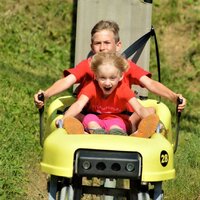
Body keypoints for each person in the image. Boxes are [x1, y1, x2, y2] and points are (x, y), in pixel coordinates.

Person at [34, 20, 186, 129]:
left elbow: (150, 84)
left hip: (121, 116)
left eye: (107, 43)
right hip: (91, 115)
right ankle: (82, 132)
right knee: (71, 114)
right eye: (97, 43)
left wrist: (174, 97)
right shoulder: (88, 65)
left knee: (149, 112)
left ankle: (140, 132)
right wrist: (46, 95)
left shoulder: (126, 66)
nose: (102, 48)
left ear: (117, 45)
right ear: (92, 47)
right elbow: (67, 81)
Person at [61, 52, 159, 137]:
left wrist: (150, 121)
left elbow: (139, 109)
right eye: (103, 78)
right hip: (95, 118)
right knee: (90, 119)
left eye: (112, 78)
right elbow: (78, 105)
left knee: (116, 126)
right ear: (96, 76)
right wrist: (64, 119)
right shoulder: (92, 87)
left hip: (117, 119)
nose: (107, 83)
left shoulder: (123, 89)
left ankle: (117, 135)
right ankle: (94, 133)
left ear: (121, 77)